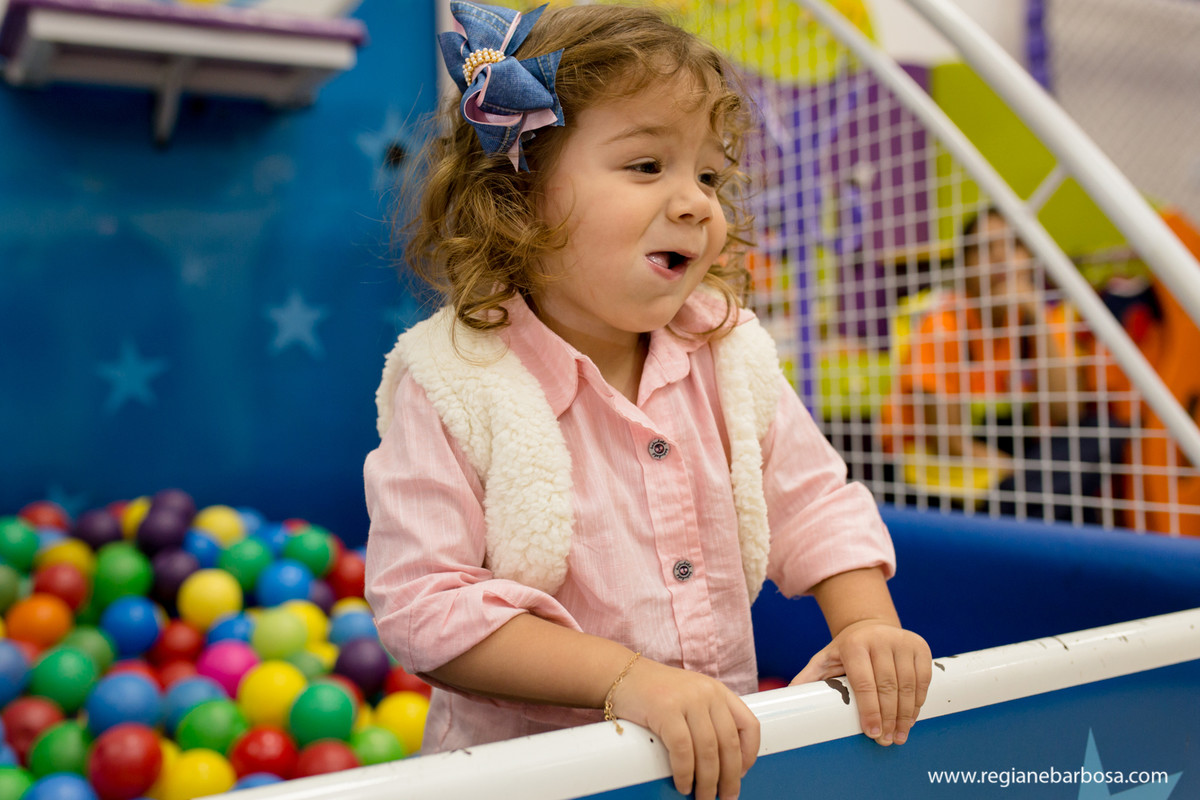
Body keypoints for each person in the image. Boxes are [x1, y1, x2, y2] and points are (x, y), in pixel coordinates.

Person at [364, 4, 931, 799]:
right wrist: (628, 681)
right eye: (645, 167)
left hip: (712, 771)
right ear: (520, 198)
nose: (697, 202)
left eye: (708, 174)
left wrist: (868, 624)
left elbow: (815, 506)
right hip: (530, 783)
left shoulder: (728, 356)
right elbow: (425, 607)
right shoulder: (453, 379)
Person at [880, 207, 1123, 523]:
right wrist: (1024, 473)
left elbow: (1068, 417)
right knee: (1072, 504)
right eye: (984, 248)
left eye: (1011, 246)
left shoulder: (1039, 319)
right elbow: (946, 441)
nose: (1000, 258)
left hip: (1012, 467)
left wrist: (1036, 316)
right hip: (944, 474)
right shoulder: (942, 326)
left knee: (1103, 431)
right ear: (965, 266)